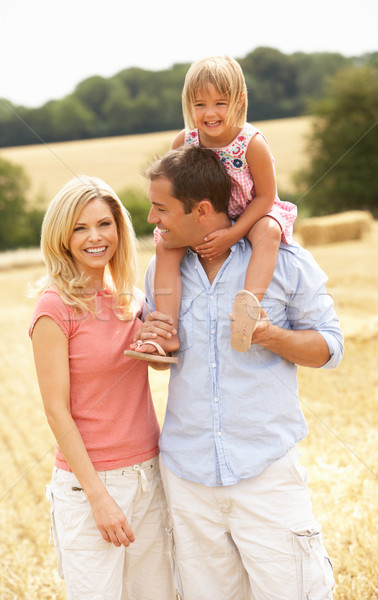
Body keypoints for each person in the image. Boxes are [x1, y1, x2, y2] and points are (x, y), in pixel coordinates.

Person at [135, 145, 344, 600]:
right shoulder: (161, 273)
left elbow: (330, 347)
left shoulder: (285, 262)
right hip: (187, 479)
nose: (152, 219)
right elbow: (161, 361)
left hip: (265, 473)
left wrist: (270, 336)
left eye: (162, 208)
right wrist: (151, 344)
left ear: (203, 210)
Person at [29, 176, 176, 600]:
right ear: (62, 237)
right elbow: (56, 411)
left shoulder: (129, 299)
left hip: (150, 475)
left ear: (119, 229)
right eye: (79, 228)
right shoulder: (53, 307)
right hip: (89, 485)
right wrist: (99, 497)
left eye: (103, 224)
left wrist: (159, 338)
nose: (95, 237)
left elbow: (161, 367)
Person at [140, 55, 297, 362]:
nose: (209, 113)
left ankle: (247, 311)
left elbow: (266, 198)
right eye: (199, 105)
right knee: (165, 248)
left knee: (269, 232)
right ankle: (166, 331)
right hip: (204, 219)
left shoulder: (251, 143)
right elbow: (175, 191)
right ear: (188, 104)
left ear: (239, 100)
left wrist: (233, 233)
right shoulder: (186, 141)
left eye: (220, 103)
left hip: (250, 213)